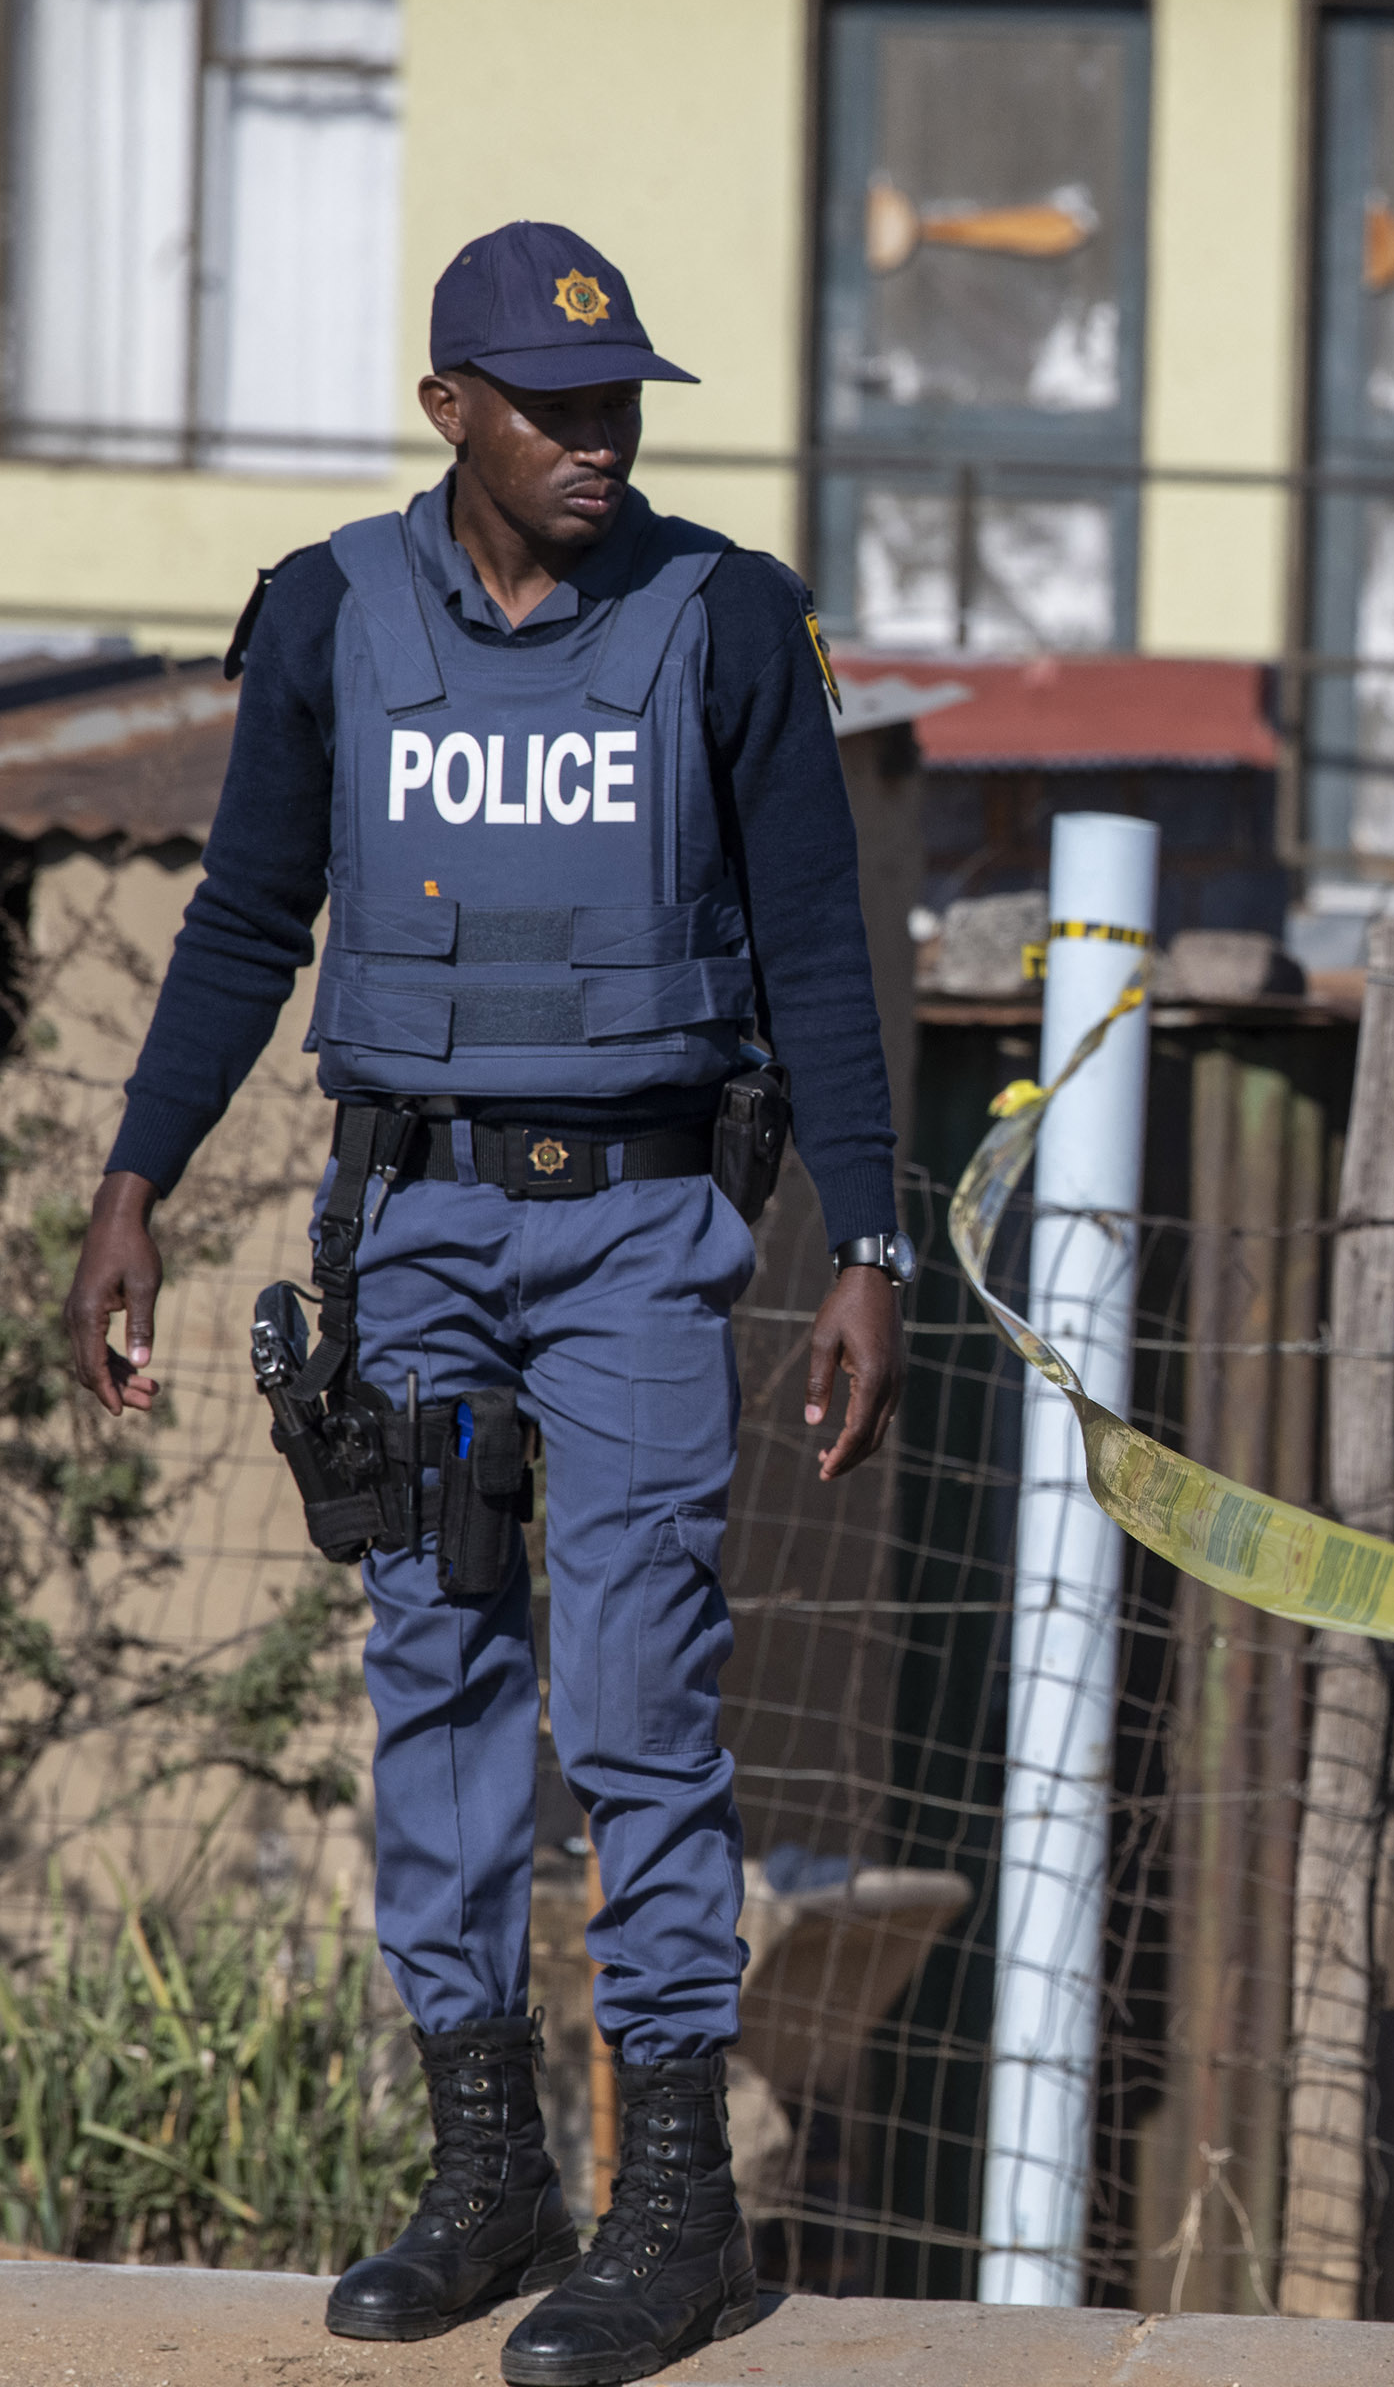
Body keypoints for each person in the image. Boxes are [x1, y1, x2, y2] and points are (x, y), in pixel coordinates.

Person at [58, 223, 905, 2387]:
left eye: (622, 401)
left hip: (638, 1242)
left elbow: (816, 946)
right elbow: (249, 916)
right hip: (416, 1239)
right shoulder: (338, 615)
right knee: (435, 1681)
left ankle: (678, 2214)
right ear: (451, 407)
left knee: (636, 1698)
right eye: (555, 404)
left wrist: (870, 1249)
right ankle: (486, 2175)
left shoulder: (719, 621)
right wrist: (133, 1181)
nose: (602, 440)